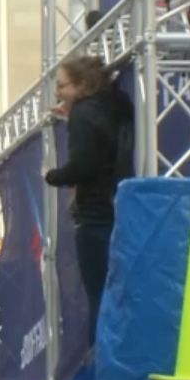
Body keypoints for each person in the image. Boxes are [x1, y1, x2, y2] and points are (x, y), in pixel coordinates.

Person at [45, 56, 133, 349]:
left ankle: (98, 369)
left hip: (94, 212)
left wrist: (51, 175)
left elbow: (83, 166)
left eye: (61, 86)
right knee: (117, 291)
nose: (57, 93)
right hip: (119, 207)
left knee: (97, 293)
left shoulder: (84, 115)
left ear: (81, 85)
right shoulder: (117, 106)